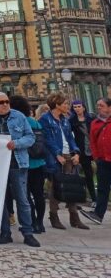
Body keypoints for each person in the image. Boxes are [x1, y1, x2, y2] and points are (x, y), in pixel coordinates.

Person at [0, 92, 40, 247]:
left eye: (7, 101)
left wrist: (17, 143)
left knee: (22, 199)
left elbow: (30, 137)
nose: (5, 104)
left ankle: (28, 232)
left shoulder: (19, 116)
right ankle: (5, 232)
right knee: (0, 200)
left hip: (16, 163)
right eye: (1, 102)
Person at [39, 92, 89, 230]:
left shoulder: (65, 119)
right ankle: (54, 215)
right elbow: (47, 139)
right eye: (65, 104)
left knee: (72, 186)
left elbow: (70, 138)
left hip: (68, 155)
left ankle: (74, 217)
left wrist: (76, 152)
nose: (68, 106)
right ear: (57, 105)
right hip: (55, 157)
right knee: (56, 186)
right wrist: (57, 154)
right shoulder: (45, 119)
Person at [8, 96, 47, 234]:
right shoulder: (34, 122)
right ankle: (40, 223)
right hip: (39, 161)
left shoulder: (19, 122)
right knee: (39, 194)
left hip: (24, 162)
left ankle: (32, 222)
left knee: (25, 196)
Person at [81, 97, 111, 225]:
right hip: (103, 160)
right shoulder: (95, 123)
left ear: (109, 107)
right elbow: (92, 142)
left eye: (102, 105)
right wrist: (96, 157)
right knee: (103, 188)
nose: (99, 107)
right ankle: (98, 214)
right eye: (98, 105)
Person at [69, 100, 97, 207]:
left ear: (83, 107)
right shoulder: (71, 120)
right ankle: (92, 198)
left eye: (79, 106)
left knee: (99, 173)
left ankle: (97, 197)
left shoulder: (91, 118)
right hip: (81, 151)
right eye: (75, 107)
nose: (77, 108)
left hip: (93, 148)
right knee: (86, 174)